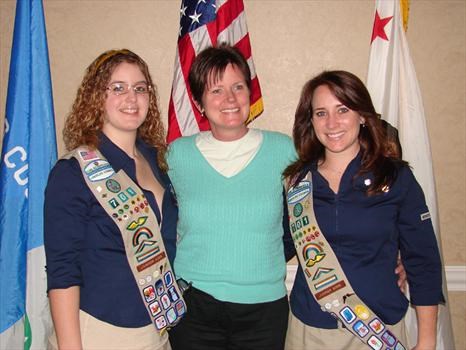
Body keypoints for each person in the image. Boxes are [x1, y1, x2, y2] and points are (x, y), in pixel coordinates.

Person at [283, 70, 444, 350]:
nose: (332, 123)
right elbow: (278, 246)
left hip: (378, 330)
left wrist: (427, 340)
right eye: (321, 113)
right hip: (309, 329)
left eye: (342, 109)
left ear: (362, 116)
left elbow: (422, 259)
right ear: (311, 121)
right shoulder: (297, 183)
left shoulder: (395, 177)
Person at [44, 49, 182, 350]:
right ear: (96, 97)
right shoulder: (73, 172)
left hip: (155, 330)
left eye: (140, 88)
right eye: (117, 88)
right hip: (98, 333)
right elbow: (63, 271)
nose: (131, 98)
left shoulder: (154, 161)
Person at [167, 44, 296, 350]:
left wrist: (389, 251)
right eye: (216, 90)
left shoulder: (284, 151)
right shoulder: (175, 155)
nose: (229, 99)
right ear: (198, 102)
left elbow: (322, 209)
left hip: (263, 311)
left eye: (238, 86)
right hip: (192, 308)